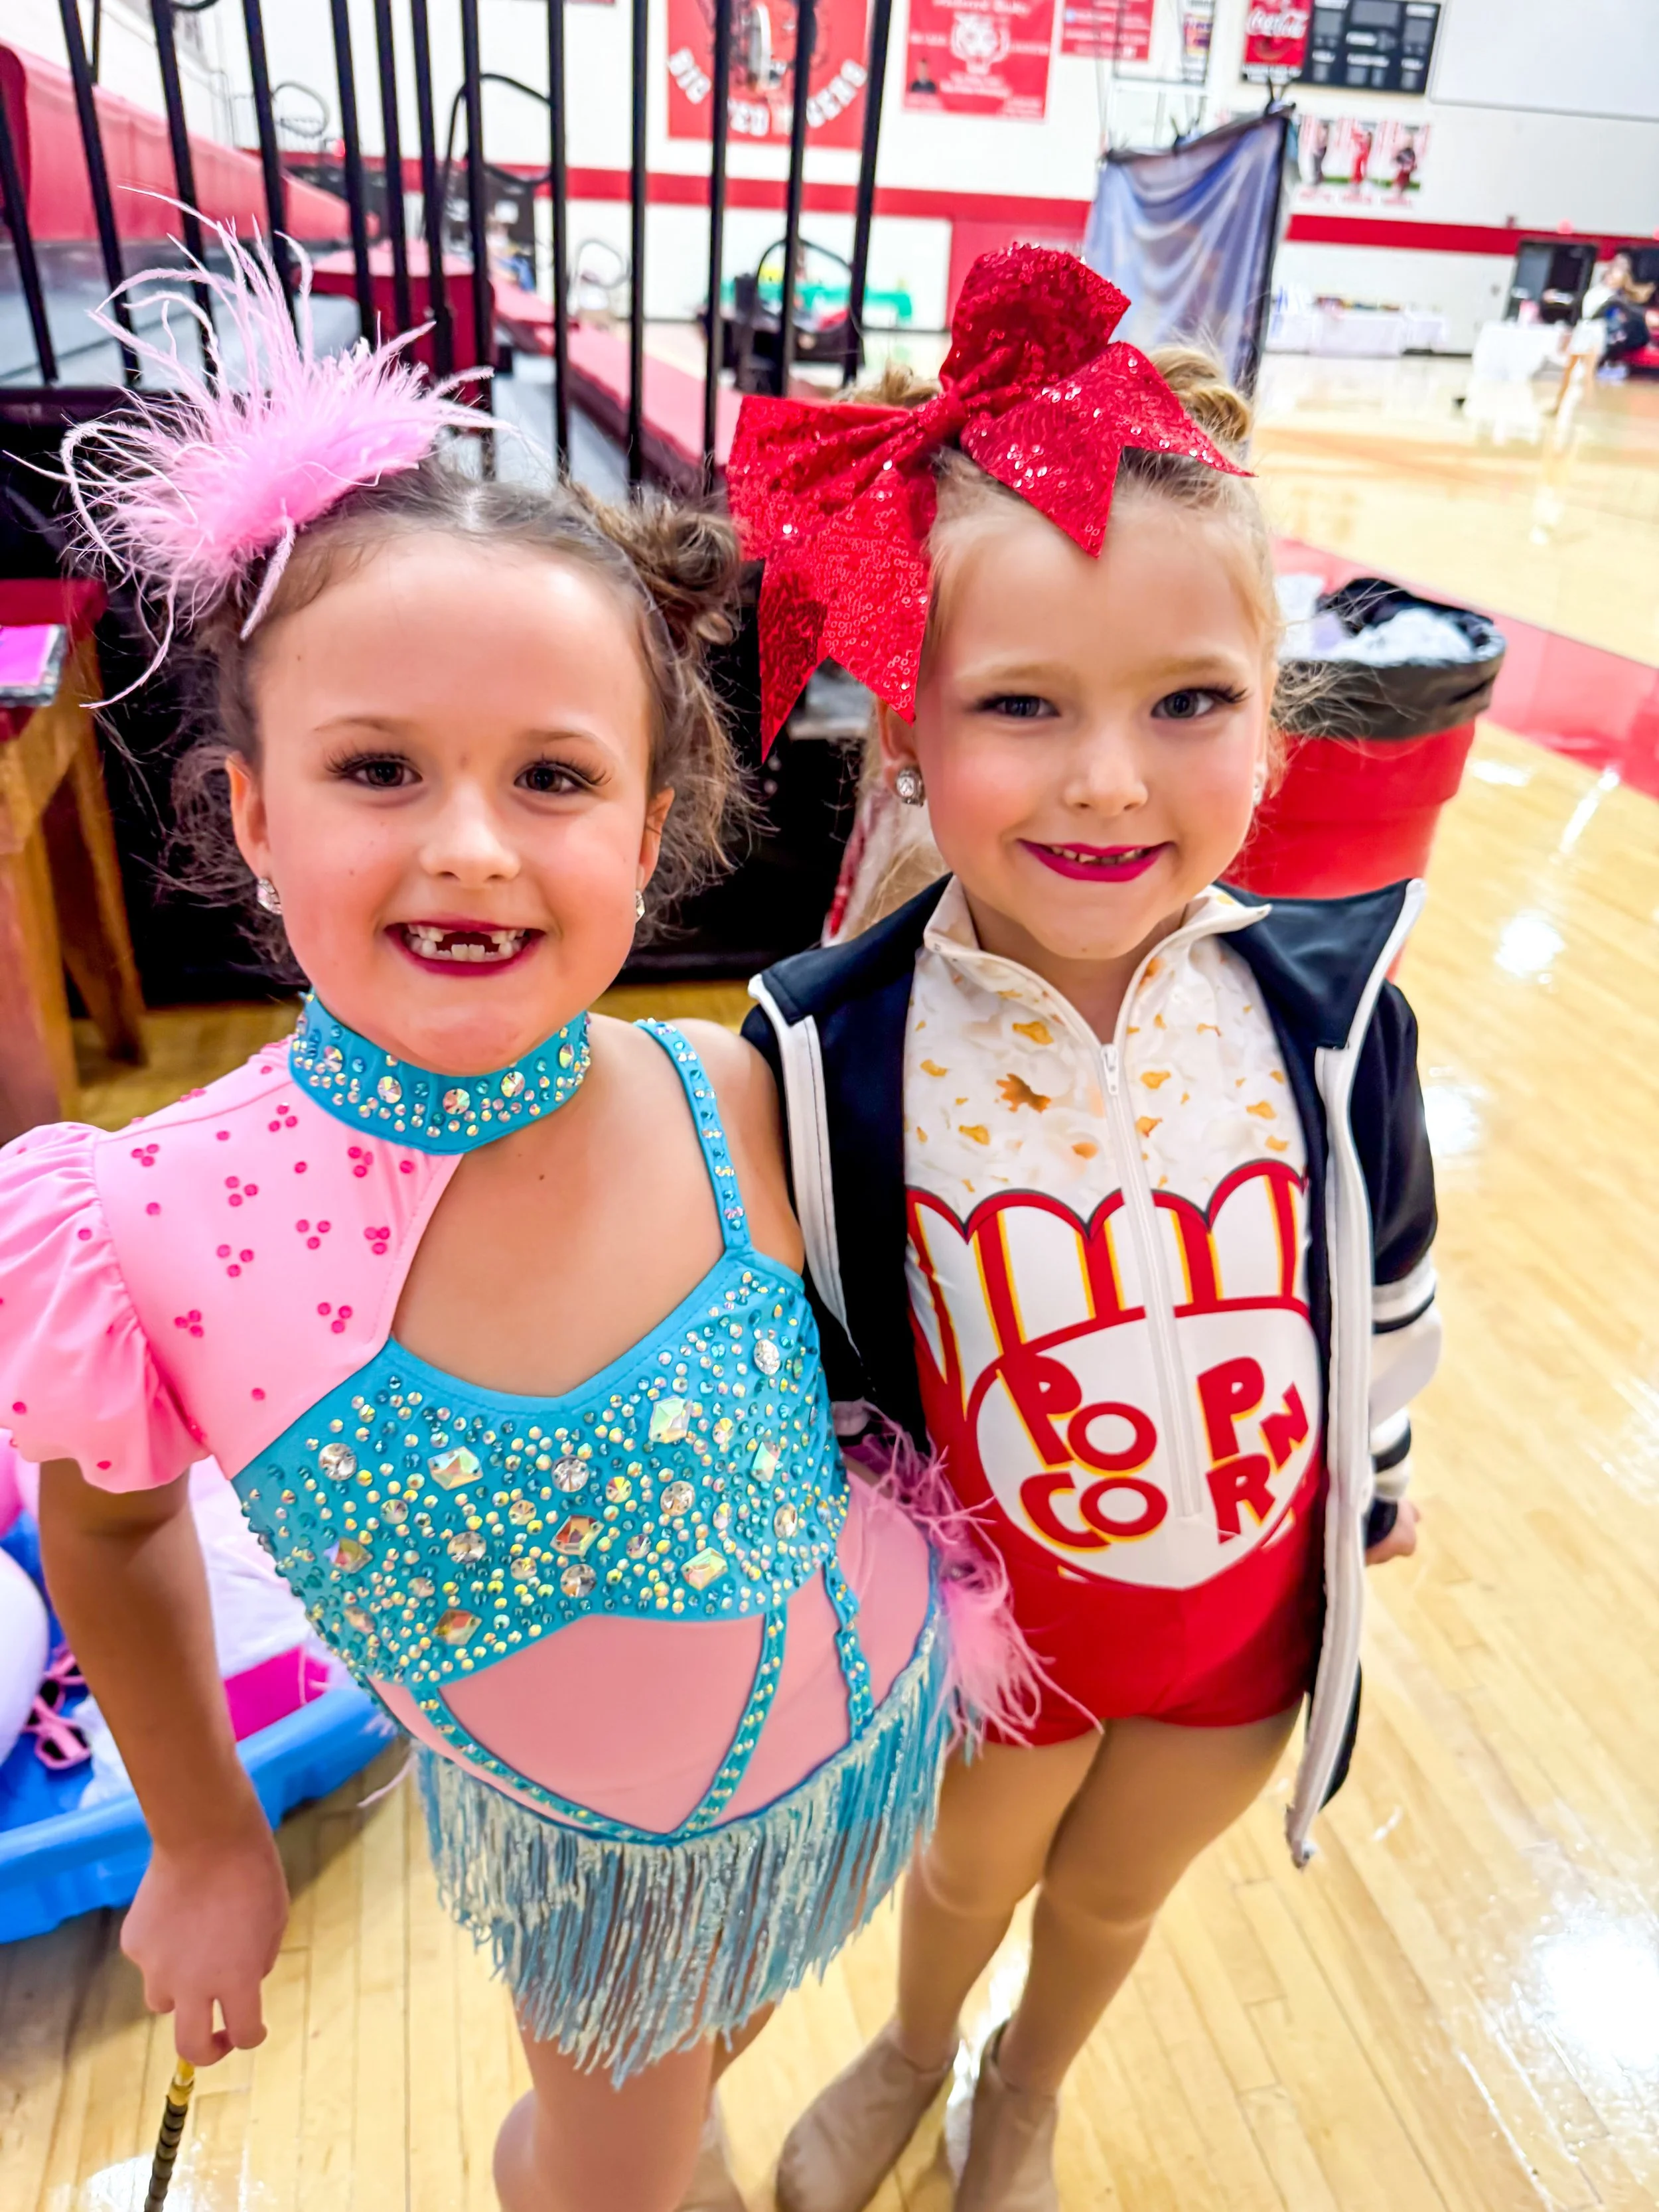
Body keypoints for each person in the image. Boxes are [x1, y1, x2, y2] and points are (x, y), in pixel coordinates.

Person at [0, 230, 1010, 2212]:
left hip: (863, 1729)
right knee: (621, 2172)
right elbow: (107, 1536)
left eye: (551, 776)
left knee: (679, 2086)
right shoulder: (139, 1224)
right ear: (255, 811)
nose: (468, 838)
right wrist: (205, 1841)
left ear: (647, 835)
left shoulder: (725, 1088)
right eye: (380, 767)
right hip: (599, 1856)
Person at [729, 247, 1441, 2212]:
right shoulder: (828, 1043)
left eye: (1188, 700)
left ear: (1271, 720)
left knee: (1114, 1901)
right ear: (909, 727)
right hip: (1002, 1628)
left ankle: (1025, 2091)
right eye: (1022, 705)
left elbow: (1384, 1284)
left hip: (1248, 1623)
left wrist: (1373, 1474)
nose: (1110, 778)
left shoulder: (1336, 1003)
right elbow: (809, 1362)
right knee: (968, 1868)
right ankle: (912, 2043)